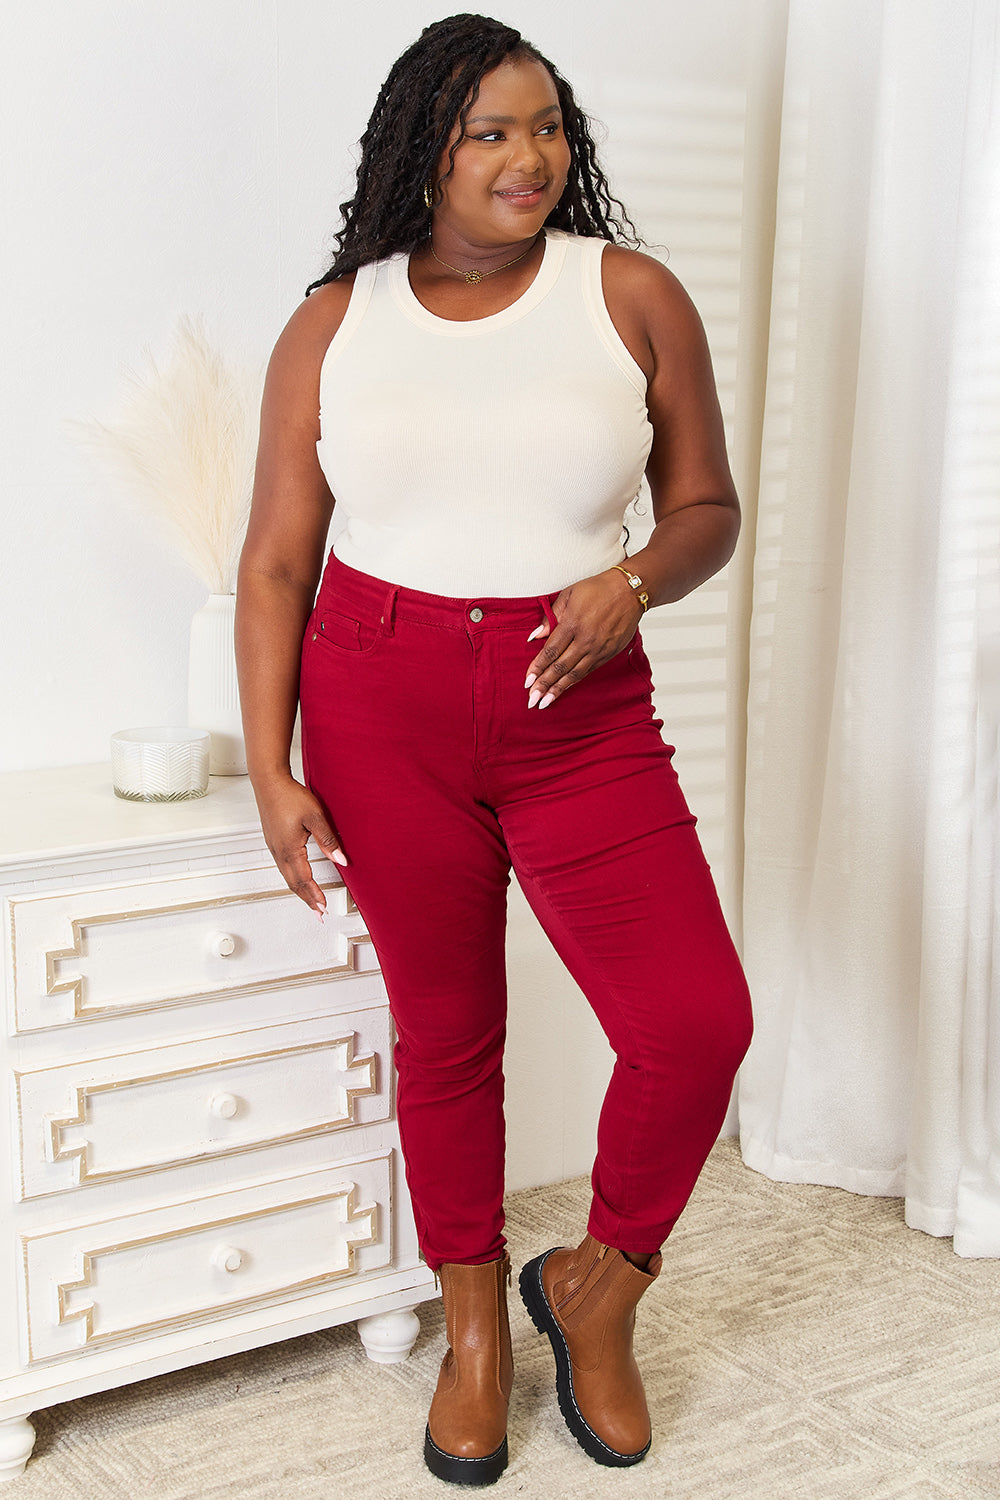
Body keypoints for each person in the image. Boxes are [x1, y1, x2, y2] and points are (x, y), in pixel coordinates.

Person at [236, 12, 753, 1487]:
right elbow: (278, 563)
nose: (531, 157)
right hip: (377, 701)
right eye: (491, 134)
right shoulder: (338, 321)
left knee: (694, 1019)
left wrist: (632, 578)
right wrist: (277, 770)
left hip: (578, 707)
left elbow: (707, 507)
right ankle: (475, 1330)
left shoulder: (630, 294)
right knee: (451, 1036)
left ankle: (599, 1287)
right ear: (425, 155)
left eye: (547, 126)